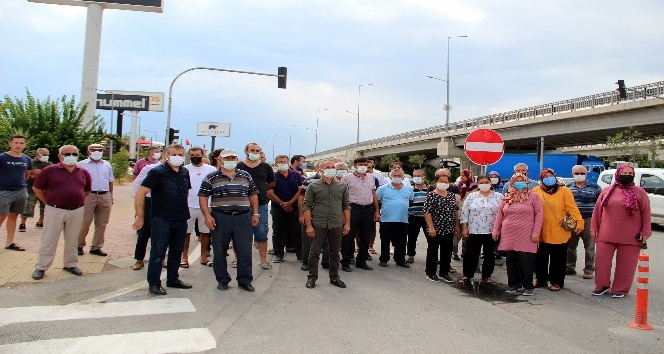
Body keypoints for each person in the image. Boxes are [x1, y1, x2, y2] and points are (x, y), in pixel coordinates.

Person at [133, 144, 193, 296]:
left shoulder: (184, 172)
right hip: (162, 219)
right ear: (166, 155)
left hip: (180, 218)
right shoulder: (157, 172)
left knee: (176, 251)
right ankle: (154, 283)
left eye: (181, 154)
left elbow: (185, 193)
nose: (178, 157)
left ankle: (173, 279)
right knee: (158, 252)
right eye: (174, 154)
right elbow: (141, 192)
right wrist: (140, 215)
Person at [199, 149, 260, 293]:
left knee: (244, 251)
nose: (230, 160)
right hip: (221, 217)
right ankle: (222, 280)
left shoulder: (245, 175)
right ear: (219, 160)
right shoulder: (211, 177)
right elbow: (203, 197)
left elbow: (253, 195)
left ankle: (245, 281)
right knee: (219, 250)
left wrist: (255, 213)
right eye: (227, 158)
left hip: (243, 217)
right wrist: (207, 216)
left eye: (233, 158)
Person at [30, 145, 91, 280]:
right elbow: (37, 188)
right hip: (54, 210)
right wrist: (48, 202)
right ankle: (41, 266)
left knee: (72, 239)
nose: (71, 156)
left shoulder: (83, 172)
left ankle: (70, 264)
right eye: (67, 154)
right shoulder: (49, 170)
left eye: (74, 154)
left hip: (76, 210)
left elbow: (86, 190)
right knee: (49, 239)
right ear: (60, 156)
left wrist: (75, 199)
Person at [591, 164, 651, 298]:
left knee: (626, 265)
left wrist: (645, 233)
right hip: (606, 233)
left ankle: (620, 289)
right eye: (625, 173)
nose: (628, 175)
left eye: (631, 173)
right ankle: (602, 286)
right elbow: (597, 211)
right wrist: (594, 228)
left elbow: (646, 214)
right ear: (618, 174)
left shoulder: (639, 192)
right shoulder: (607, 191)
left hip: (631, 236)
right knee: (602, 261)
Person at [532, 168, 584, 291]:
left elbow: (572, 208)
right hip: (541, 230)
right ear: (541, 179)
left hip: (559, 230)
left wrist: (579, 222)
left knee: (558, 258)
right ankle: (541, 279)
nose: (548, 178)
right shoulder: (536, 190)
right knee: (541, 258)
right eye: (545, 177)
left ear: (555, 177)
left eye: (550, 176)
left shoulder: (564, 190)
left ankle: (556, 281)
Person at [492, 173, 543, 296]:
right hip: (509, 234)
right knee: (511, 260)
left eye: (522, 181)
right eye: (516, 181)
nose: (519, 183)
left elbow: (539, 215)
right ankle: (513, 284)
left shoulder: (533, 197)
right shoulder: (507, 197)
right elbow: (500, 214)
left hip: (527, 234)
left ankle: (528, 286)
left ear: (526, 183)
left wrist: (536, 232)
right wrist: (496, 230)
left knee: (525, 260)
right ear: (512, 182)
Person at [303, 160, 351, 289]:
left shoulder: (342, 186)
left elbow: (346, 206)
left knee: (335, 253)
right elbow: (307, 206)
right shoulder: (313, 186)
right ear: (320, 169)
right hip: (319, 223)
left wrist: (347, 224)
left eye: (332, 167)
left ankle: (334, 277)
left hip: (336, 223)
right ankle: (312, 277)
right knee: (315, 252)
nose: (330, 169)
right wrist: (309, 226)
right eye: (327, 167)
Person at [237, 143, 276, 269]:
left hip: (261, 204)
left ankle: (263, 260)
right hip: (241, 205)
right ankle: (239, 260)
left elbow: (271, 183)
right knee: (239, 234)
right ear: (246, 151)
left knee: (261, 233)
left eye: (257, 150)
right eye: (252, 150)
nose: (254, 152)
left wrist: (261, 190)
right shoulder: (239, 166)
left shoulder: (266, 167)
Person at [459, 175, 503, 284]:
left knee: (489, 254)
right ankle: (467, 275)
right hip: (474, 231)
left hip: (491, 231)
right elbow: (465, 214)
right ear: (477, 184)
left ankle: (487, 276)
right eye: (482, 182)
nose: (484, 184)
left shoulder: (499, 197)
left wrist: (499, 230)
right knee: (471, 253)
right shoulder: (471, 196)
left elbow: (503, 213)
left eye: (486, 182)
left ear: (490, 183)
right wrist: (464, 229)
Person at [341, 157, 380, 272]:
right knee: (348, 236)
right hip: (353, 208)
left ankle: (361, 261)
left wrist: (376, 210)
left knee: (365, 236)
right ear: (355, 165)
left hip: (368, 208)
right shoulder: (346, 178)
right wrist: (343, 213)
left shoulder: (371, 178)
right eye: (360, 164)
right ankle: (346, 261)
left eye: (365, 164)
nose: (363, 166)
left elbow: (373, 194)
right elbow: (342, 196)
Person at [76, 143, 113, 256]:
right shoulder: (81, 165)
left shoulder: (107, 164)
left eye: (100, 150)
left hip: (104, 195)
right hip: (88, 195)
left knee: (102, 223)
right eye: (94, 150)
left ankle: (96, 247)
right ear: (88, 152)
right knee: (85, 222)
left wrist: (111, 196)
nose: (97, 152)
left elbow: (110, 181)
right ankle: (79, 245)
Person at [182, 147, 217, 267]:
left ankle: (203, 257)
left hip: (206, 207)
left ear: (203, 155)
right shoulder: (184, 169)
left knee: (205, 233)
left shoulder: (211, 170)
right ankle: (184, 257)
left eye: (197, 154)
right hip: (188, 206)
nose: (194, 157)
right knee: (186, 233)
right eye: (192, 155)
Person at [423, 171, 460, 283]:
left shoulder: (451, 196)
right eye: (441, 181)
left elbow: (455, 212)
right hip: (435, 228)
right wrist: (431, 227)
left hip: (449, 228)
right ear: (436, 182)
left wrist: (457, 226)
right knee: (433, 251)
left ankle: (444, 273)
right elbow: (427, 212)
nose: (443, 183)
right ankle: (431, 273)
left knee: (447, 251)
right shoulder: (431, 195)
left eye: (446, 182)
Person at [566, 165, 602, 279]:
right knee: (570, 246)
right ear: (572, 174)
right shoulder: (567, 188)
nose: (579, 175)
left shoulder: (595, 187)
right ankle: (569, 267)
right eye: (576, 173)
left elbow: (600, 204)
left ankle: (589, 269)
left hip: (589, 219)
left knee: (590, 246)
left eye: (582, 173)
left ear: (586, 174)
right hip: (573, 220)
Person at [131, 153, 165, 270]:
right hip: (149, 202)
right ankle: (139, 259)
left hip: (165, 204)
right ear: (165, 155)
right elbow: (137, 185)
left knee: (163, 232)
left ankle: (161, 258)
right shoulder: (150, 168)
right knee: (144, 232)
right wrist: (138, 207)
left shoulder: (177, 170)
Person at [267, 154, 303, 263]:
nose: (283, 163)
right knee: (278, 231)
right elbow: (269, 192)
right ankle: (278, 254)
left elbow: (300, 191)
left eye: (285, 161)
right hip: (278, 209)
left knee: (297, 231)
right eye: (280, 162)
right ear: (276, 163)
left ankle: (300, 254)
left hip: (294, 208)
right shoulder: (272, 176)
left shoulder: (296, 175)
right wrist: (283, 204)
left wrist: (290, 203)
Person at [1, 134, 33, 252]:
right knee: (1, 216)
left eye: (21, 143)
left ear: (24, 145)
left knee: (13, 216)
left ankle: (9, 243)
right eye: (16, 143)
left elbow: (27, 174)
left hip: (20, 191)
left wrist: (20, 184)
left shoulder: (27, 159)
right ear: (10, 143)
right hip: (3, 191)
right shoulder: (2, 157)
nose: (18, 145)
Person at [377, 168, 413, 268]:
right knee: (385, 241)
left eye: (399, 176)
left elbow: (410, 201)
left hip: (402, 219)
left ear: (403, 177)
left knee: (401, 241)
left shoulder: (409, 189)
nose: (397, 177)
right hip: (386, 219)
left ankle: (400, 259)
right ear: (390, 177)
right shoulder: (382, 188)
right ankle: (384, 259)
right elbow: (378, 201)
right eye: (395, 175)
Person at [19, 148, 51, 232]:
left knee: (45, 207)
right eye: (44, 155)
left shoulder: (49, 164)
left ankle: (40, 222)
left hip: (45, 189)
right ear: (37, 154)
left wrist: (39, 173)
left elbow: (39, 173)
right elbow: (34, 171)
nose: (46, 156)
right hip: (31, 188)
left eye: (47, 155)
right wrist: (41, 173)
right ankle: (22, 223)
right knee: (28, 207)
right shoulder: (30, 163)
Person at [453, 169, 477, 260]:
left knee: (466, 236)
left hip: (470, 215)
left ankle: (465, 253)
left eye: (464, 175)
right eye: (461, 175)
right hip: (459, 213)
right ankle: (454, 252)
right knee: (456, 235)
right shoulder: (457, 186)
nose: (462, 177)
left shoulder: (475, 187)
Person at [406, 169, 428, 264]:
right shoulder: (409, 189)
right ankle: (411, 255)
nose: (417, 178)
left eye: (419, 176)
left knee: (430, 237)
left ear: (424, 177)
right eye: (415, 176)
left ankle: (433, 256)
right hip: (413, 216)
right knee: (411, 237)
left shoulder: (429, 189)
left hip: (427, 217)